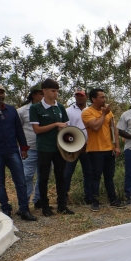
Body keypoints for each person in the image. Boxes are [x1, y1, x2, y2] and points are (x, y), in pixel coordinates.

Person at [0, 83, 36, 221]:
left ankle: (24, 209)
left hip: (13, 151)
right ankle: (5, 210)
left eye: (1, 92)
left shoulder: (11, 110)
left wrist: (24, 148)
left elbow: (18, 131)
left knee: (21, 181)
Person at [30, 78, 73, 216]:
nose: (56, 94)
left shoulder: (59, 107)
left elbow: (66, 125)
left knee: (61, 176)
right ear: (44, 91)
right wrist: (55, 125)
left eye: (57, 91)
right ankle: (45, 206)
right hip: (44, 147)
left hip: (60, 148)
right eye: (53, 91)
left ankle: (62, 205)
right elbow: (37, 130)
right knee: (43, 178)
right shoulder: (35, 108)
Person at [82, 88, 123, 211]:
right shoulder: (87, 112)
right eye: (101, 97)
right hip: (95, 150)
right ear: (93, 99)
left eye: (104, 97)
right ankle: (95, 201)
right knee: (96, 176)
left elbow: (114, 129)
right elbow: (95, 127)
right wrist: (104, 113)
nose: (104, 99)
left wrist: (117, 146)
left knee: (109, 176)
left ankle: (113, 199)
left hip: (108, 148)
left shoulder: (109, 112)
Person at [63, 87, 92, 204]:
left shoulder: (91, 110)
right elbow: (66, 129)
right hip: (72, 147)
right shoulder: (68, 111)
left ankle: (89, 197)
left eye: (81, 95)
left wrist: (85, 145)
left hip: (88, 147)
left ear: (86, 96)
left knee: (89, 173)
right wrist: (76, 145)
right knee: (67, 173)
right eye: (77, 95)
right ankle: (63, 197)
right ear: (74, 96)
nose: (79, 97)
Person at [17, 83, 44, 208]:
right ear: (34, 95)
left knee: (43, 176)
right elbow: (17, 130)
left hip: (45, 149)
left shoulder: (48, 110)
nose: (44, 96)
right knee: (27, 176)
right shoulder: (22, 111)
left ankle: (38, 200)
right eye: (41, 94)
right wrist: (22, 146)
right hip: (29, 149)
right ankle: (25, 202)